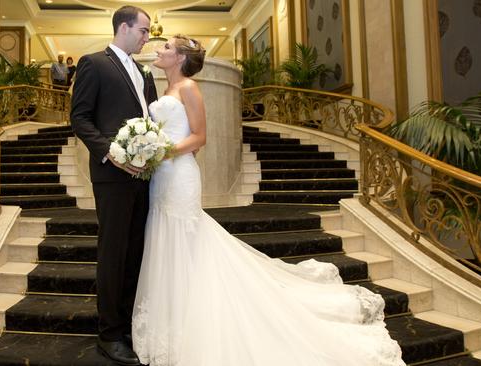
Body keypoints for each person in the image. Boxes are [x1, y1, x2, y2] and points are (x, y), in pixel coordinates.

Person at [131, 35, 407, 366]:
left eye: (165, 48)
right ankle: (176, 312)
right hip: (162, 177)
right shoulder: (166, 90)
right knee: (169, 237)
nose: (157, 51)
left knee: (185, 237)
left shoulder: (189, 87)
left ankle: (196, 314)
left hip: (178, 175)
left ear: (179, 58)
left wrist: (161, 151)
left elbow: (200, 137)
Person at [69, 5, 157, 366]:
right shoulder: (94, 63)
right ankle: (108, 334)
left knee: (135, 251)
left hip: (143, 177)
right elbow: (79, 117)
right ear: (123, 27)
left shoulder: (143, 71)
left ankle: (127, 324)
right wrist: (111, 153)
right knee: (114, 251)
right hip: (112, 174)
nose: (147, 37)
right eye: (144, 30)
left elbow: (150, 117)